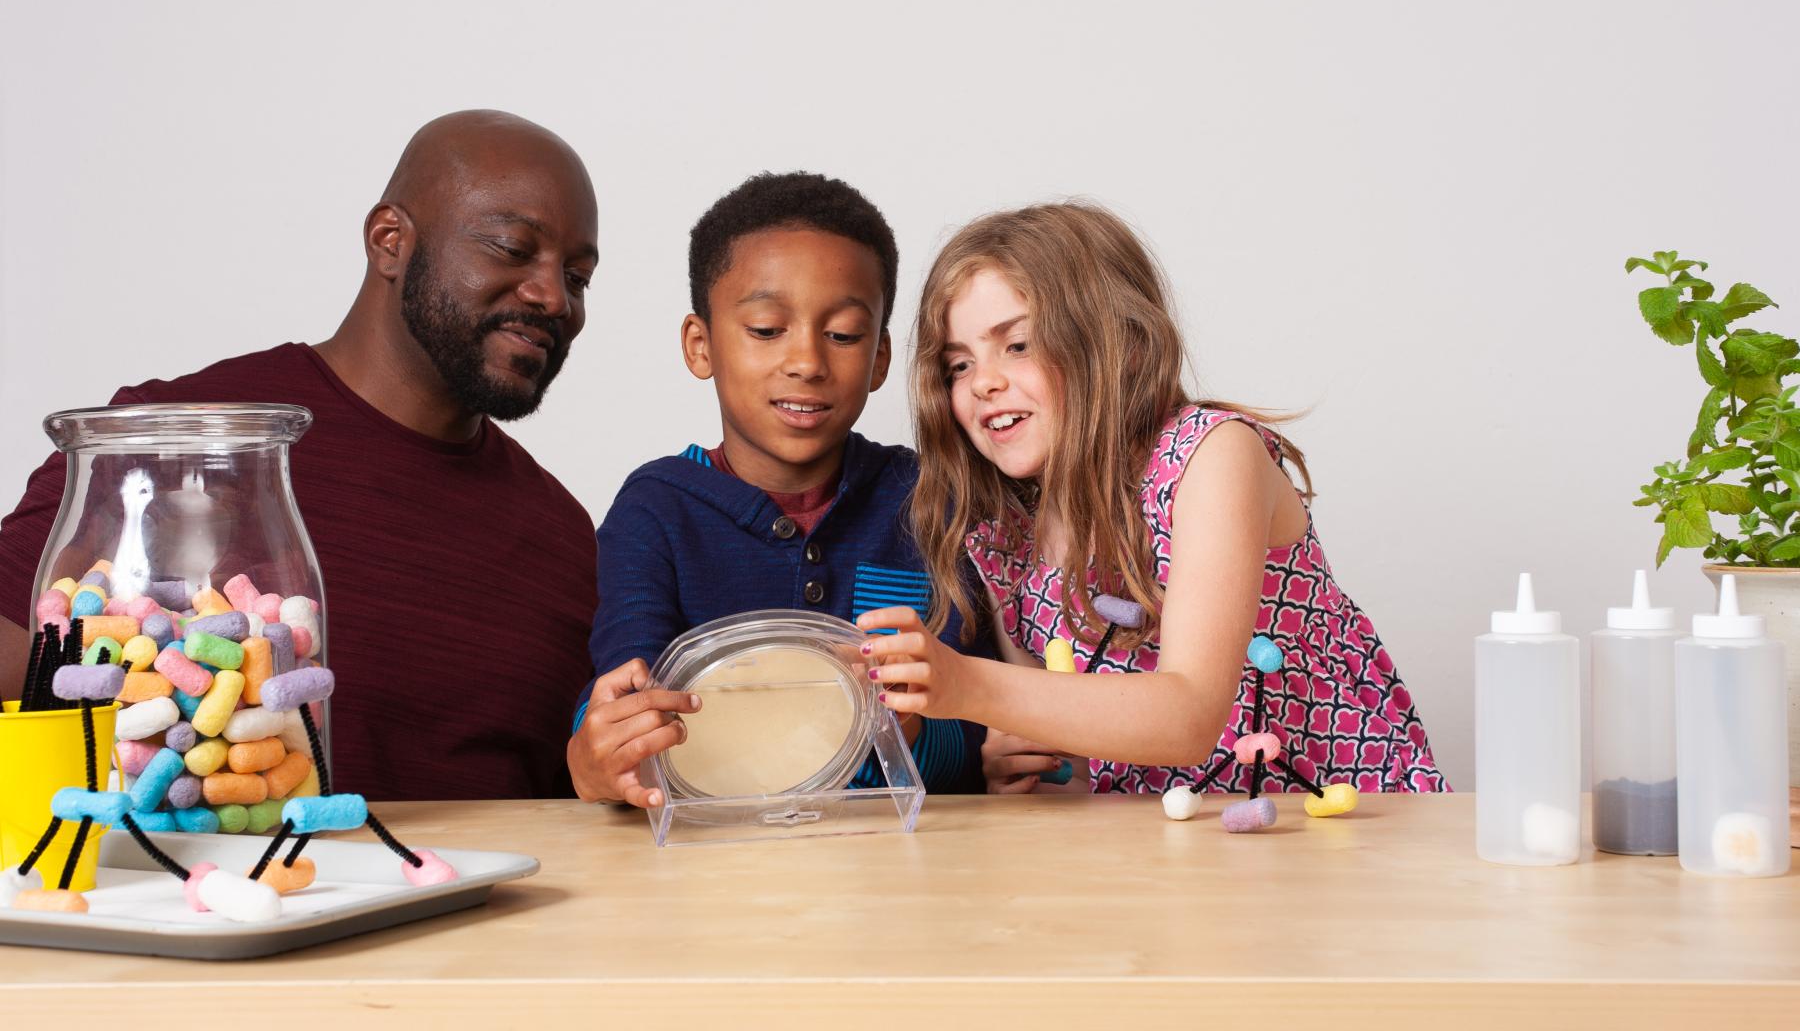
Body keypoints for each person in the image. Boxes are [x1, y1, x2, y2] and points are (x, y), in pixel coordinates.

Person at [0, 110, 601, 800]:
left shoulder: (563, 538)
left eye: (578, 277)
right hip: (195, 893)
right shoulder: (166, 445)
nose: (553, 297)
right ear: (389, 241)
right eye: (512, 247)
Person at [858, 202, 1445, 795]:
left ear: (1119, 343)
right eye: (959, 364)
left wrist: (969, 686)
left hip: (1337, 834)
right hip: (1164, 857)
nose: (982, 381)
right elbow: (1075, 752)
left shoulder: (1213, 458)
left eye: (1018, 345)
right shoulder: (1003, 535)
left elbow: (1187, 717)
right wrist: (1029, 758)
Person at [568, 172, 988, 807]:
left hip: (897, 872)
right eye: (767, 329)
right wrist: (597, 756)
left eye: (843, 334)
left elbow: (976, 734)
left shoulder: (927, 500)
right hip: (710, 872)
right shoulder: (656, 508)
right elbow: (623, 697)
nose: (808, 363)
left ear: (879, 358)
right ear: (700, 345)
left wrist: (917, 732)